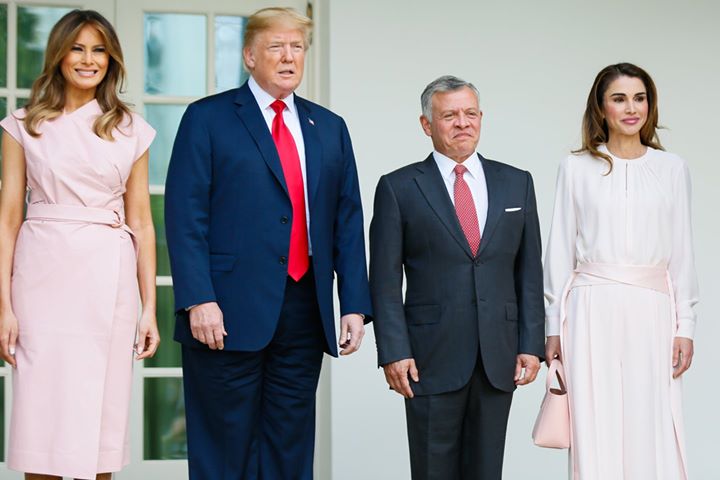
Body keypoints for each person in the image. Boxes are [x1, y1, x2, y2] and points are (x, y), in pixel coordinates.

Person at [164, 7, 372, 480]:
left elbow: (347, 219)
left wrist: (354, 304)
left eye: (297, 47)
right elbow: (185, 216)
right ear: (249, 56)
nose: (288, 56)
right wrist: (198, 299)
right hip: (224, 311)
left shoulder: (329, 127)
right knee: (225, 451)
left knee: (289, 448)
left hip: (303, 309)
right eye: (276, 46)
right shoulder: (207, 118)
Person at [0, 9, 159, 480]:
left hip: (107, 277)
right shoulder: (23, 125)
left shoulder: (131, 128)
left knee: (100, 415)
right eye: (77, 48)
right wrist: (4, 306)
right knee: (41, 416)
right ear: (59, 54)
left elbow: (142, 222)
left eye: (99, 50)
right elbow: (8, 219)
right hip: (41, 278)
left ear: (111, 60)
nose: (88, 60)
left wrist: (149, 308)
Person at [370, 75, 544, 480]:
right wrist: (394, 351)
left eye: (470, 113)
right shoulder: (398, 187)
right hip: (428, 357)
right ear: (426, 124)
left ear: (481, 117)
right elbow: (384, 280)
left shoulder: (517, 182)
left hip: (498, 356)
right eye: (449, 115)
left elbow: (529, 271)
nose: (462, 123)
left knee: (487, 471)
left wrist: (531, 344)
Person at [544, 62, 697, 479]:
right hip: (590, 311)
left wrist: (685, 325)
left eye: (639, 98)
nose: (631, 108)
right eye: (619, 98)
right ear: (601, 107)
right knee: (595, 421)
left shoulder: (672, 168)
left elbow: (682, 252)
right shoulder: (575, 167)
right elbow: (559, 251)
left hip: (653, 311)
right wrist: (552, 325)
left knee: (652, 421)